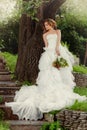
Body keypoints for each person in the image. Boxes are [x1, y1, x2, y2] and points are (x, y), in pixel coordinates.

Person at [5, 18, 87, 121]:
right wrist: (49, 54)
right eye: (45, 25)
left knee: (58, 71)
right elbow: (47, 46)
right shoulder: (44, 35)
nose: (46, 26)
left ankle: (58, 89)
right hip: (48, 54)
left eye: (48, 24)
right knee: (48, 72)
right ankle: (49, 90)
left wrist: (57, 53)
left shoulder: (58, 31)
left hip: (57, 52)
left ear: (52, 24)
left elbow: (58, 43)